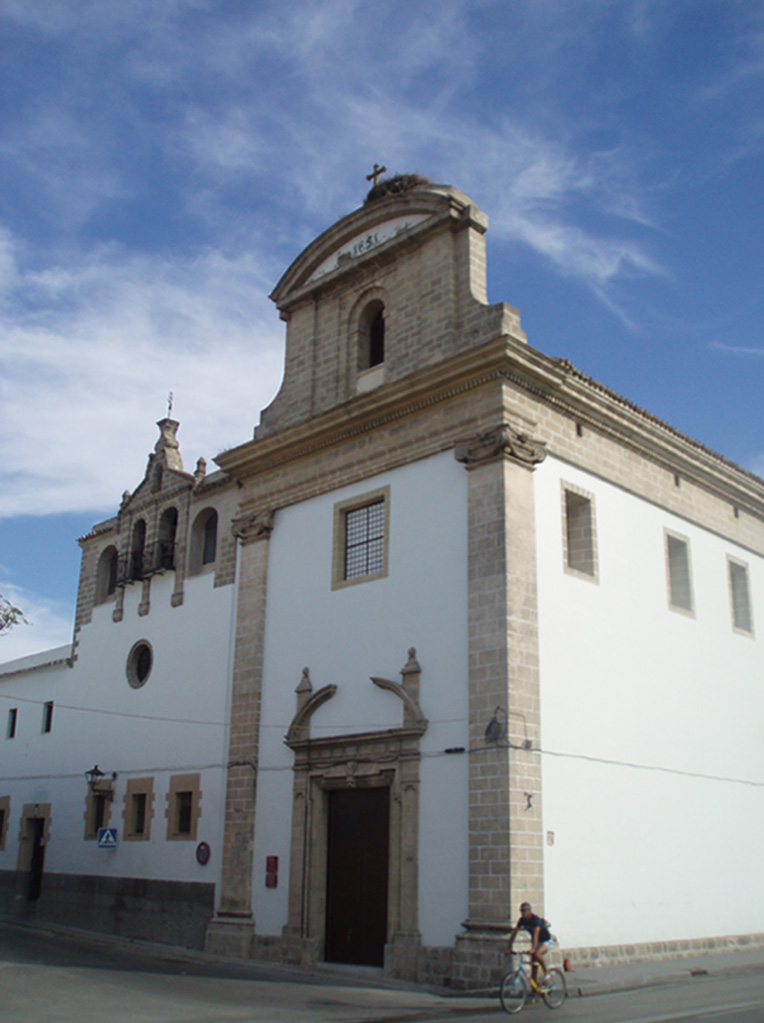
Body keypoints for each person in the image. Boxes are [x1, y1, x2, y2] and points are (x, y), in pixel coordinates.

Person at [505, 902, 552, 988]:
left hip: (546, 941)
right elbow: (514, 934)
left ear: (529, 911)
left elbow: (536, 934)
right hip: (537, 942)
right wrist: (509, 947)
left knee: (537, 954)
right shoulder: (522, 920)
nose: (522, 913)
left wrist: (533, 948)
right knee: (533, 970)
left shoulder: (535, 920)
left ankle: (546, 971)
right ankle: (534, 992)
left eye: (524, 911)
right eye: (521, 911)